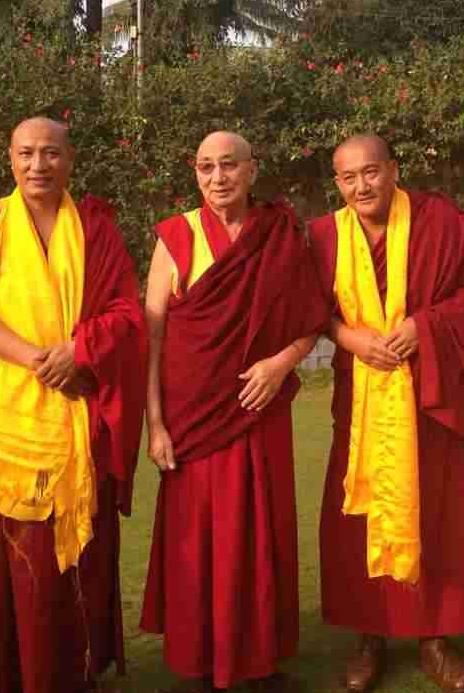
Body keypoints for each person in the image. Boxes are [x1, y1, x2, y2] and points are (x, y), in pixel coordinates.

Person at [0, 116, 148, 693]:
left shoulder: (95, 227)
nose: (39, 165)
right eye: (27, 154)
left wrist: (78, 351)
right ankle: (8, 674)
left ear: (70, 158)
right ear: (10, 158)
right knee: (10, 551)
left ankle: (71, 671)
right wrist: (40, 358)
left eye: (51, 154)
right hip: (9, 412)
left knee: (75, 552)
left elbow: (127, 313)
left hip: (79, 409)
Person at [140, 131, 329, 693]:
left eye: (228, 166)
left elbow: (309, 320)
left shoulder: (278, 235)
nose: (217, 177)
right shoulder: (176, 237)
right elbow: (152, 335)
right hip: (192, 417)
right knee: (199, 540)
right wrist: (155, 423)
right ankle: (199, 662)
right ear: (195, 174)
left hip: (259, 409)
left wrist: (280, 364)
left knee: (261, 531)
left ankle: (260, 660)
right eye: (205, 167)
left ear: (252, 171)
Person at [308, 134, 464, 693]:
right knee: (358, 515)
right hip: (363, 393)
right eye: (348, 178)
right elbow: (311, 308)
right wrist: (349, 338)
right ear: (337, 185)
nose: (361, 186)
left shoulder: (442, 223)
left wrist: (422, 326)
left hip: (430, 392)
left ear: (393, 170)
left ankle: (436, 639)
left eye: (371, 172)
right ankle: (370, 636)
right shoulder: (321, 236)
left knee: (440, 512)